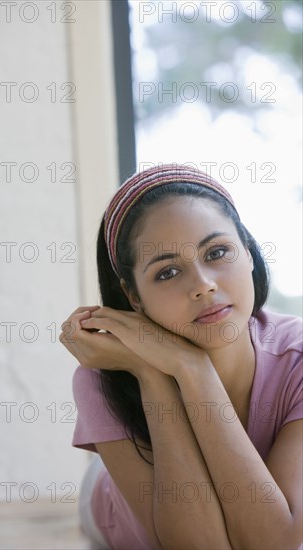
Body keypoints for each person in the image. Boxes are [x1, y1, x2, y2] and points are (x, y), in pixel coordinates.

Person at [60, 164, 302, 550]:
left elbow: (279, 544)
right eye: (168, 271)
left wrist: (191, 367)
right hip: (113, 510)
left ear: (249, 251)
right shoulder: (103, 374)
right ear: (133, 295)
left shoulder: (297, 359)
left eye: (218, 251)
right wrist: (150, 372)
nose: (204, 286)